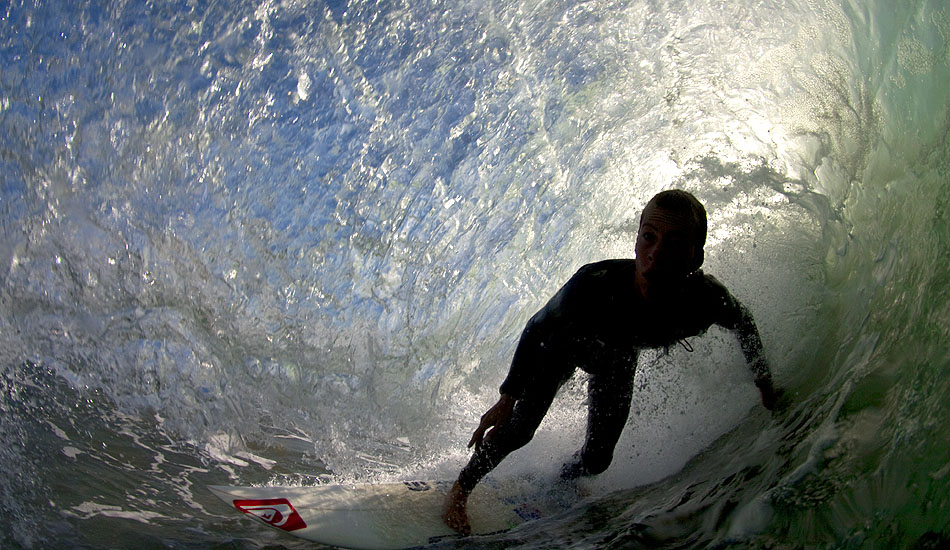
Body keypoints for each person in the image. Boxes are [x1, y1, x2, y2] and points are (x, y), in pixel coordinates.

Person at [441, 189, 781, 535]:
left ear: (695, 257)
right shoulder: (593, 284)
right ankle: (460, 489)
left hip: (616, 359)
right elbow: (537, 326)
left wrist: (765, 384)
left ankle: (563, 480)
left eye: (674, 243)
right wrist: (507, 397)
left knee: (598, 459)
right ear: (636, 241)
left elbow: (744, 324)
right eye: (649, 237)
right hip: (560, 347)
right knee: (519, 430)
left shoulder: (706, 300)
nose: (656, 253)